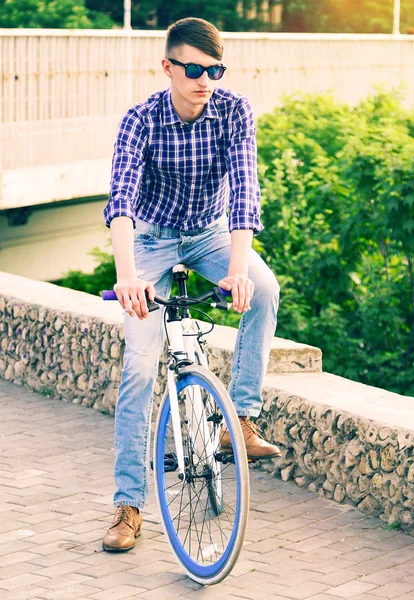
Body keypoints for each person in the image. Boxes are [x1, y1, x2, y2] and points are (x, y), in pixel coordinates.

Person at [101, 17, 281, 553]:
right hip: (152, 240)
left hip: (208, 233)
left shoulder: (233, 111)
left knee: (265, 291)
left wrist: (236, 269)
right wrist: (128, 277)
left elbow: (246, 190)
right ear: (168, 67)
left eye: (215, 70)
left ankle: (240, 421)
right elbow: (122, 203)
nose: (206, 80)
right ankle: (128, 506)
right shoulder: (141, 121)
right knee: (139, 366)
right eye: (195, 68)